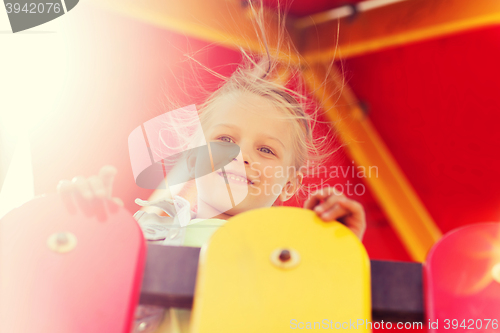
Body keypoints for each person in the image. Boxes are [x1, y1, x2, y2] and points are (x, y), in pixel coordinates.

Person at [56, 3, 366, 332]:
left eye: (266, 150)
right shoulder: (154, 228)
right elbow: (110, 312)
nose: (241, 156)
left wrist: (337, 250)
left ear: (290, 184)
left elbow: (326, 323)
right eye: (224, 140)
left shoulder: (293, 252)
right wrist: (95, 230)